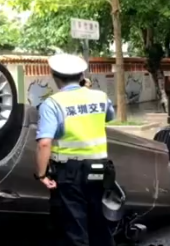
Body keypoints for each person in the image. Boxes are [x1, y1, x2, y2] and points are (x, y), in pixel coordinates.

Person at [35, 54, 116, 246]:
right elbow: (108, 116)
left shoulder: (52, 103)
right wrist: (85, 90)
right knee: (98, 219)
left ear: (54, 76)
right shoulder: (100, 96)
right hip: (98, 169)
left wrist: (41, 174)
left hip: (70, 173)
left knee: (75, 225)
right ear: (82, 75)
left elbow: (44, 143)